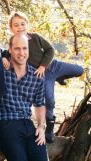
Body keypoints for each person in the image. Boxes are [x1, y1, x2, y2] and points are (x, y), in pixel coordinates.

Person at [7, 11, 84, 143]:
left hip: (53, 66)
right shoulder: (14, 42)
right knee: (49, 100)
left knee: (80, 70)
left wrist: (43, 65)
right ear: (11, 28)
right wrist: (5, 59)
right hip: (42, 76)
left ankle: (60, 77)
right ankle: (49, 129)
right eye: (16, 25)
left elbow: (50, 50)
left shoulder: (35, 37)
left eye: (22, 24)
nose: (20, 27)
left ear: (27, 24)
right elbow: (10, 55)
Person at [0, 33, 48, 161]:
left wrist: (40, 126)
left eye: (24, 48)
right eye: (17, 48)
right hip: (5, 123)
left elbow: (39, 104)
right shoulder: (0, 72)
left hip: (28, 124)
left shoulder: (36, 76)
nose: (21, 52)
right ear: (10, 49)